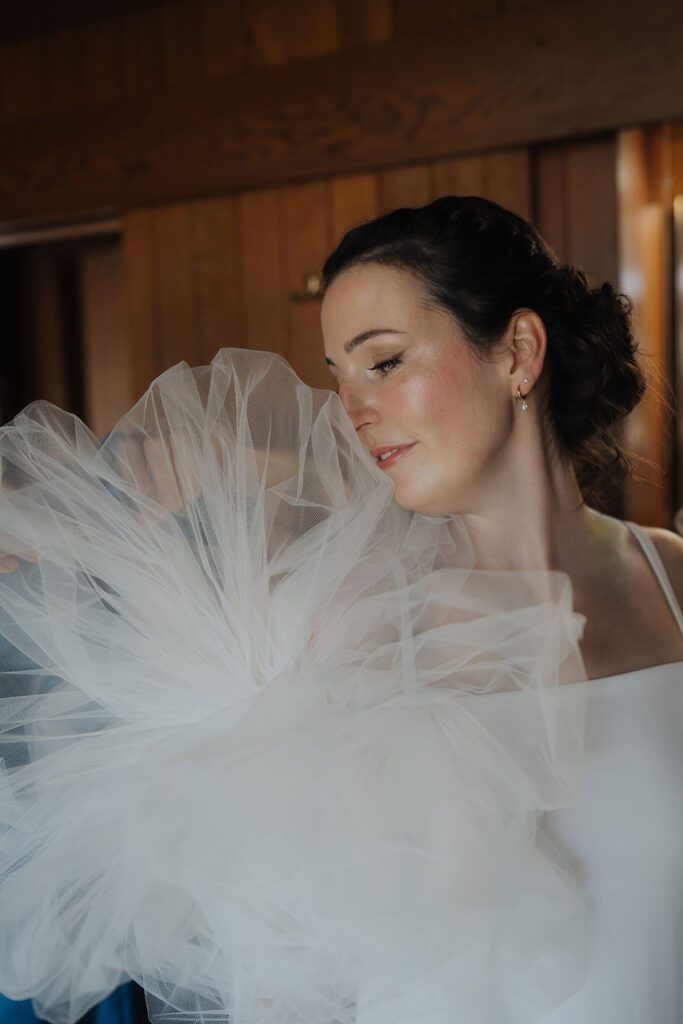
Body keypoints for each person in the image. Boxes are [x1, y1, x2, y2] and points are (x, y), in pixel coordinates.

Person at [0, 195, 680, 1024]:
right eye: (337, 376)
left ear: (518, 352)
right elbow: (281, 983)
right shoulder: (344, 626)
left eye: (382, 363)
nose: (352, 410)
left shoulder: (669, 579)